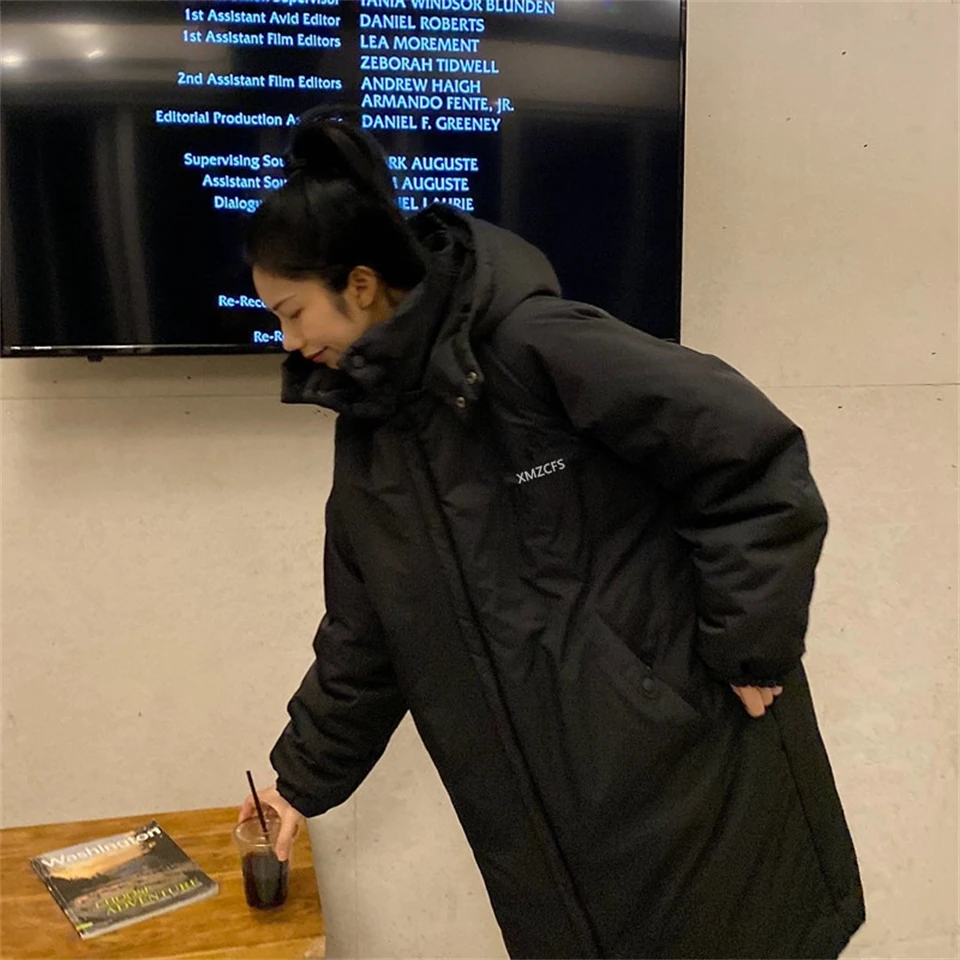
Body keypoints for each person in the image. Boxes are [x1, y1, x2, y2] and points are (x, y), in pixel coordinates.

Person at [238, 115, 865, 959]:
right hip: (546, 840)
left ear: (359, 283)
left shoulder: (534, 345)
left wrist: (751, 646)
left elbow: (749, 453)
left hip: (691, 778)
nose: (288, 341)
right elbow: (367, 635)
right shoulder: (373, 442)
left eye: (291, 311)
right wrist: (298, 784)